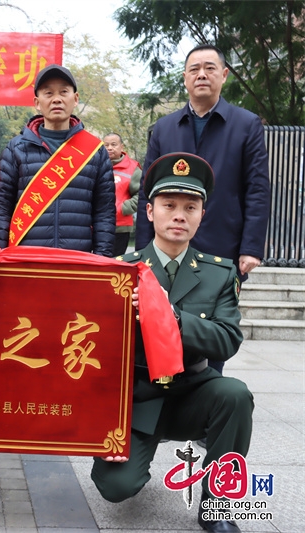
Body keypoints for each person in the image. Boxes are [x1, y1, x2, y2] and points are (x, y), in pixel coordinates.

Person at [91, 153, 252, 533]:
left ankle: (218, 507)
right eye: (169, 205)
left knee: (235, 395)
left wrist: (171, 316)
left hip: (192, 392)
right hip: (137, 396)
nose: (179, 215)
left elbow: (227, 340)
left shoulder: (219, 272)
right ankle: (136, 456)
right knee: (116, 487)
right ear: (149, 211)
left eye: (190, 207)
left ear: (201, 215)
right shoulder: (120, 270)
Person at [134, 44, 270, 375]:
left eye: (210, 68)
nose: (202, 75)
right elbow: (147, 195)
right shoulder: (165, 128)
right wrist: (141, 249)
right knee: (155, 322)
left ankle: (208, 390)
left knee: (212, 326)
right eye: (194, 69)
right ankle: (160, 399)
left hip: (222, 246)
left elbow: (257, 188)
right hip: (166, 246)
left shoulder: (246, 124)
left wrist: (251, 247)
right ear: (184, 78)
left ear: (224, 75)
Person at [0, 64, 115, 255]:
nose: (56, 99)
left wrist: (103, 259)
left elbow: (104, 213)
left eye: (63, 92)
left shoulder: (95, 151)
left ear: (75, 99)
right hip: (26, 261)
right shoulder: (16, 148)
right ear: (37, 102)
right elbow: (2, 209)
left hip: (77, 260)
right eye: (48, 93)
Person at [103, 132, 141, 256]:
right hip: (96, 226)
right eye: (106, 145)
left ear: (122, 147)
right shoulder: (96, 165)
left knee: (115, 263)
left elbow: (141, 194)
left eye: (113, 145)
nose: (109, 148)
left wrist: (123, 208)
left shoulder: (132, 168)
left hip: (120, 227)